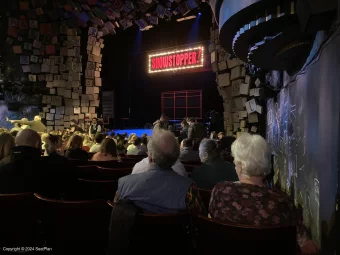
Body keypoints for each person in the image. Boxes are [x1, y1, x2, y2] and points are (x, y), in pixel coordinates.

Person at [115, 129, 205, 214]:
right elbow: (200, 218)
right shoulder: (189, 188)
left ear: (149, 157)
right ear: (176, 157)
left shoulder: (123, 184)